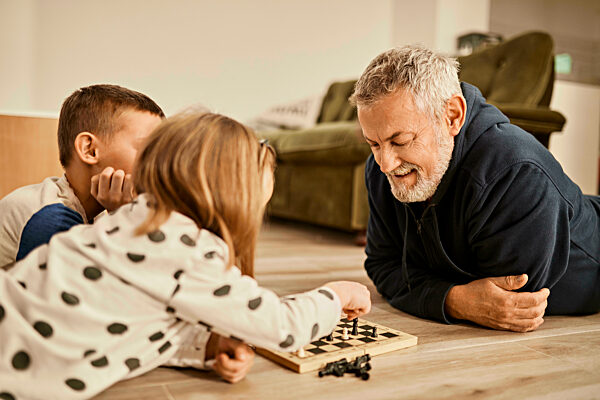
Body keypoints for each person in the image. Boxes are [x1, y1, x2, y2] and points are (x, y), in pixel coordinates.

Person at [0, 112, 371, 399]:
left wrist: (206, 347)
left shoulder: (134, 216)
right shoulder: (189, 251)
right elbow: (283, 327)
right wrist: (336, 296)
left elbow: (134, 320)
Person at [350, 45, 599, 333]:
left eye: (400, 140)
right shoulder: (380, 169)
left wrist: (427, 289)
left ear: (452, 116)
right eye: (374, 144)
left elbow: (507, 304)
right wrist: (456, 300)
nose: (385, 164)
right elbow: (382, 266)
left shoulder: (517, 173)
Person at [0, 84, 165, 268]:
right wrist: (122, 217)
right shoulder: (51, 219)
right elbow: (100, 289)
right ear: (90, 150)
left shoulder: (96, 213)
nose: (157, 163)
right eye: (147, 149)